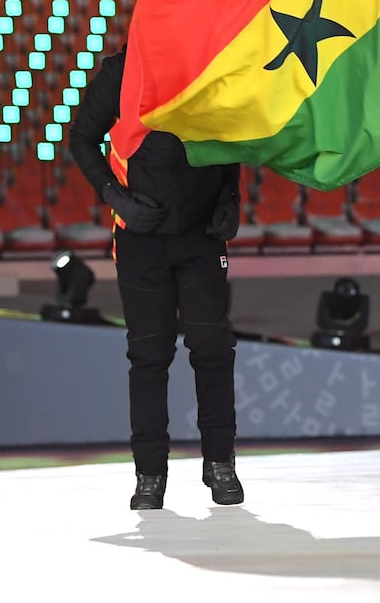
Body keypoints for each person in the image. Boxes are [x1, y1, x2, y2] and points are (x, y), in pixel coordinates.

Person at [69, 50, 245, 509]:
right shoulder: (121, 71)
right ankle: (150, 474)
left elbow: (228, 138)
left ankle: (220, 463)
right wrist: (116, 198)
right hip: (140, 238)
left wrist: (230, 198)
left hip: (201, 236)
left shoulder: (212, 60)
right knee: (149, 356)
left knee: (213, 349)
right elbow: (81, 139)